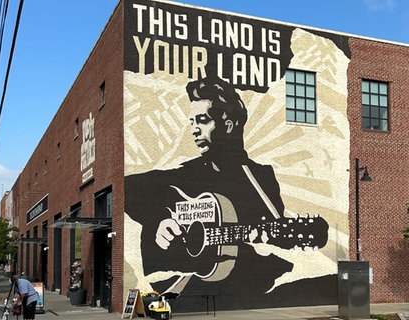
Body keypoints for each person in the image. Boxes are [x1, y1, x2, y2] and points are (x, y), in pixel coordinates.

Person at [125, 76, 329, 308]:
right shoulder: (188, 173)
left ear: (228, 124)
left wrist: (264, 242)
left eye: (202, 121)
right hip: (188, 287)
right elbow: (128, 186)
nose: (194, 130)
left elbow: (277, 237)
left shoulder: (261, 178)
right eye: (192, 122)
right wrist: (159, 217)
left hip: (250, 293)